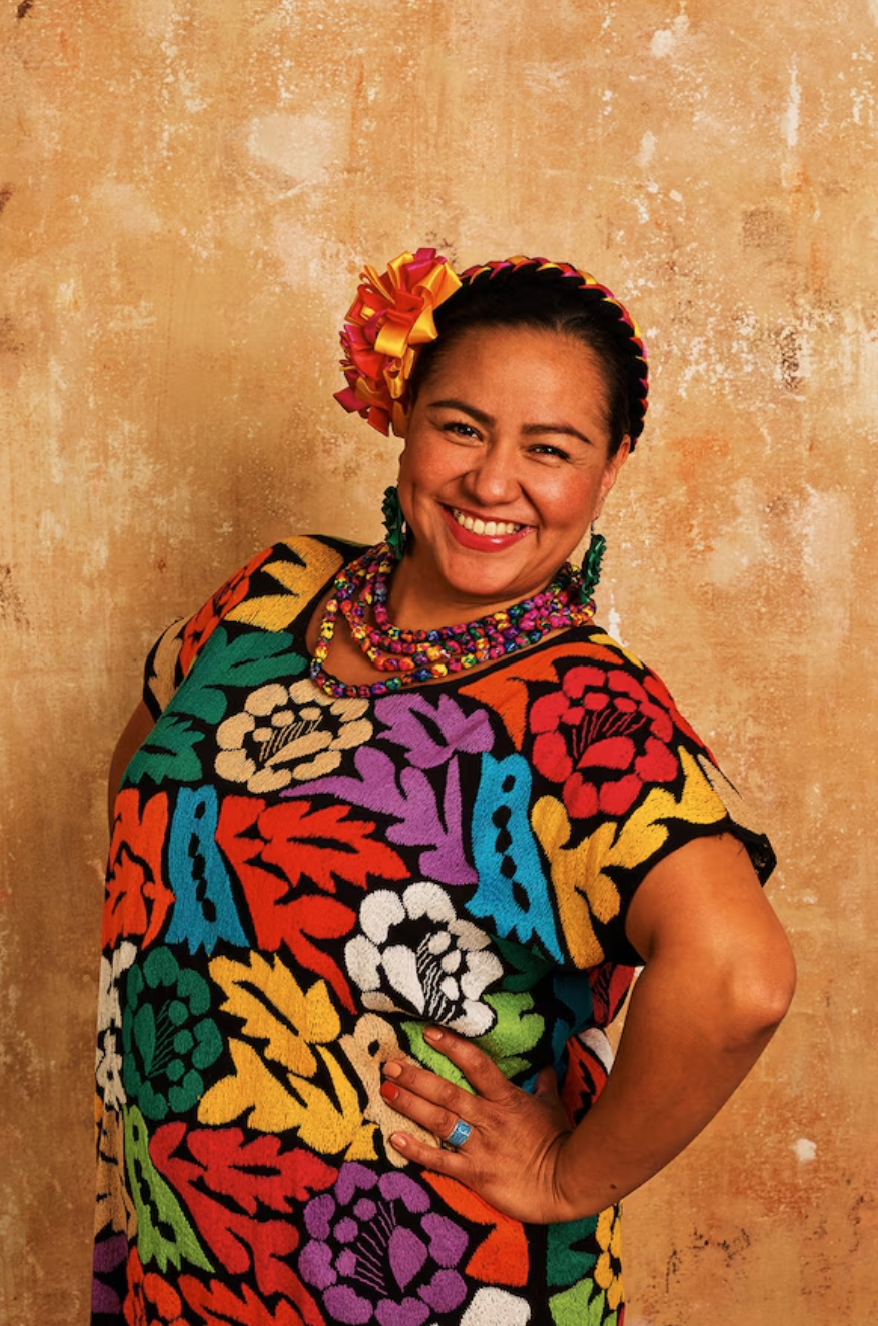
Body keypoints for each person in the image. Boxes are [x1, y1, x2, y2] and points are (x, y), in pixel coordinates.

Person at [91, 249, 795, 1326]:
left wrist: (566, 1177)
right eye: (461, 427)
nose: (491, 482)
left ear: (605, 474)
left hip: (419, 1275)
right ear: (403, 418)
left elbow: (738, 978)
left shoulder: (583, 711)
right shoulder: (274, 591)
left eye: (548, 449)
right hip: (184, 1243)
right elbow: (145, 771)